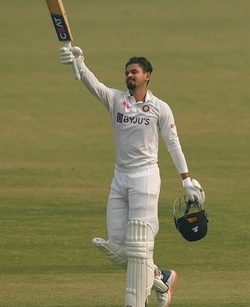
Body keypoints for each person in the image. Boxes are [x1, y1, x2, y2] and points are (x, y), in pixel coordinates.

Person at [58, 46, 204, 307]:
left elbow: (173, 143)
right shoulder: (116, 100)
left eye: (134, 71)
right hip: (120, 178)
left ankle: (136, 302)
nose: (129, 75)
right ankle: (162, 278)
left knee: (138, 246)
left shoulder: (160, 108)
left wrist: (186, 179)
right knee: (117, 247)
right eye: (127, 72)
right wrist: (79, 63)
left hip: (145, 177)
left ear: (147, 75)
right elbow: (94, 85)